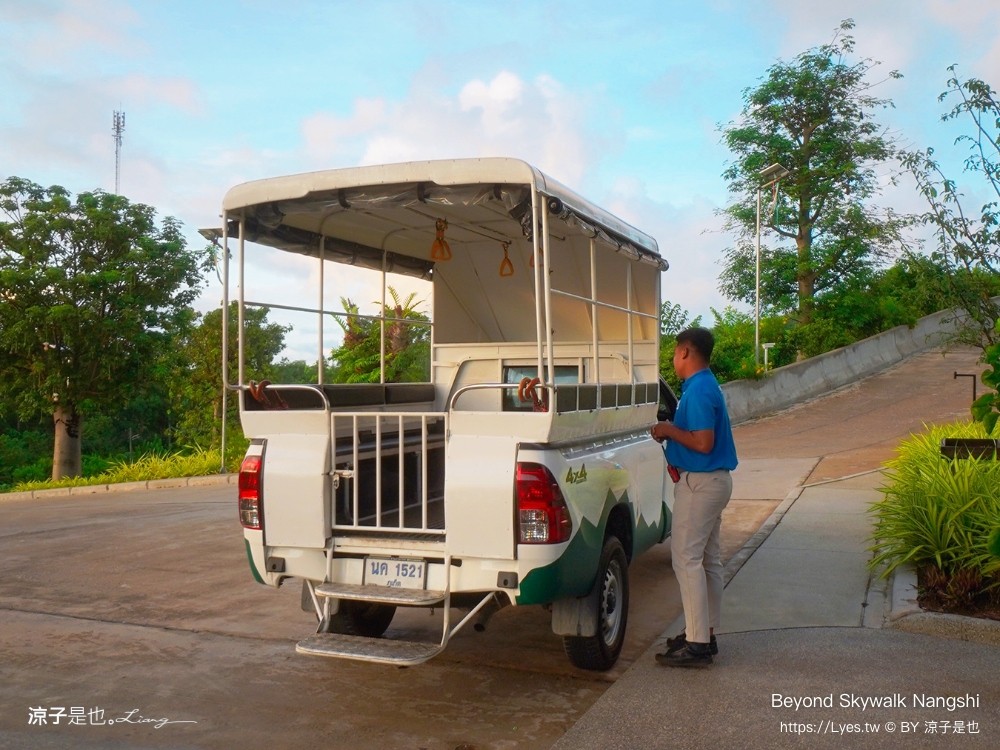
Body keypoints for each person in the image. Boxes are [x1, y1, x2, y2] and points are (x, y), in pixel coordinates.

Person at [650, 327, 738, 668]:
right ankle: (704, 632)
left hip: (700, 483)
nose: (673, 358)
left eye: (675, 352)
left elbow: (702, 442)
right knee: (707, 561)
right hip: (714, 481)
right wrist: (672, 430)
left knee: (685, 559)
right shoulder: (703, 385)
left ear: (686, 351)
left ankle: (697, 642)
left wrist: (668, 430)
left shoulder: (699, 390)